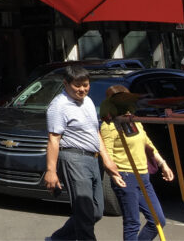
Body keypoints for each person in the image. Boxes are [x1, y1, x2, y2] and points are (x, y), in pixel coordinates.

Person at [44, 64, 125, 241]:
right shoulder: (59, 105)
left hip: (92, 159)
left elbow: (95, 132)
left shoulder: (87, 102)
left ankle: (57, 239)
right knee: (85, 213)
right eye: (77, 86)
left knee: (96, 211)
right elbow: (53, 139)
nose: (82, 89)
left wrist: (107, 160)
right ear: (66, 84)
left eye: (86, 85)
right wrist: (51, 171)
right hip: (73, 158)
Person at [100, 85, 173, 240]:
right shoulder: (109, 125)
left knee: (158, 220)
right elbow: (107, 154)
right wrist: (113, 175)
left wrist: (163, 164)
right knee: (132, 222)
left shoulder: (134, 120)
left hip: (143, 176)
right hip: (126, 176)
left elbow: (149, 145)